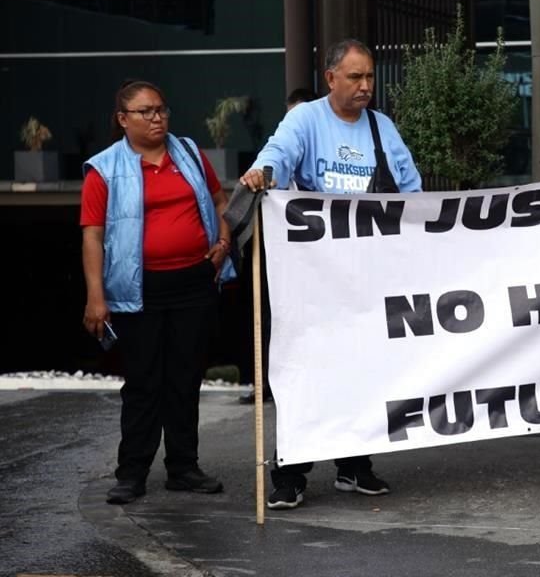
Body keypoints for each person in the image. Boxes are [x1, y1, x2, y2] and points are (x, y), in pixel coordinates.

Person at [240, 39, 422, 510]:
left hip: (367, 280)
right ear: (330, 78)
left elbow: (411, 192)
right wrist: (264, 173)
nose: (365, 87)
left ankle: (354, 465)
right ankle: (292, 472)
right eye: (355, 77)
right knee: (308, 373)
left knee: (363, 371)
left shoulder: (382, 128)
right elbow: (278, 154)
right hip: (313, 280)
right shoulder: (306, 119)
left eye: (369, 78)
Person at [81, 80, 230, 505]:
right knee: (145, 381)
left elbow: (221, 203)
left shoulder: (189, 154)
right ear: (123, 120)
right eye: (145, 111)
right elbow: (92, 236)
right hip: (137, 288)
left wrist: (222, 244)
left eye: (161, 109)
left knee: (185, 377)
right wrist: (96, 296)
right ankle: (131, 473)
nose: (157, 117)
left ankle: (183, 467)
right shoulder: (104, 168)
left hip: (194, 281)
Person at [237, 87, 319, 406]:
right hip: (283, 260)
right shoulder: (276, 162)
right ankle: (265, 381)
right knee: (272, 319)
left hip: (324, 266)